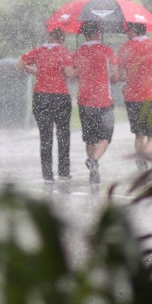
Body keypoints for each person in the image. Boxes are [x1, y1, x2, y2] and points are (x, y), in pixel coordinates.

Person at [68, 19, 120, 184]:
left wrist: (83, 75)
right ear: (98, 34)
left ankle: (92, 167)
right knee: (105, 137)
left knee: (90, 138)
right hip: (104, 101)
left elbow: (71, 75)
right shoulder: (107, 51)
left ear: (84, 35)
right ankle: (94, 161)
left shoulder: (78, 53)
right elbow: (116, 76)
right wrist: (109, 78)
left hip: (84, 102)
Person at [20, 26, 74, 182]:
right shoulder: (63, 52)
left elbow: (20, 64)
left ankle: (47, 175)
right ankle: (63, 172)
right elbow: (70, 74)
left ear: (49, 37)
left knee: (45, 136)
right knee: (63, 133)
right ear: (62, 39)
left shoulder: (38, 51)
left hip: (41, 97)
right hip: (60, 97)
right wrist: (78, 72)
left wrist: (36, 71)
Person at [118, 20, 152, 171]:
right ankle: (142, 159)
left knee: (139, 135)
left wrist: (127, 80)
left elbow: (120, 74)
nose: (126, 33)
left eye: (127, 30)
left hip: (131, 97)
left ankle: (141, 163)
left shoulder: (124, 48)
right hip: (151, 95)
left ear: (134, 31)